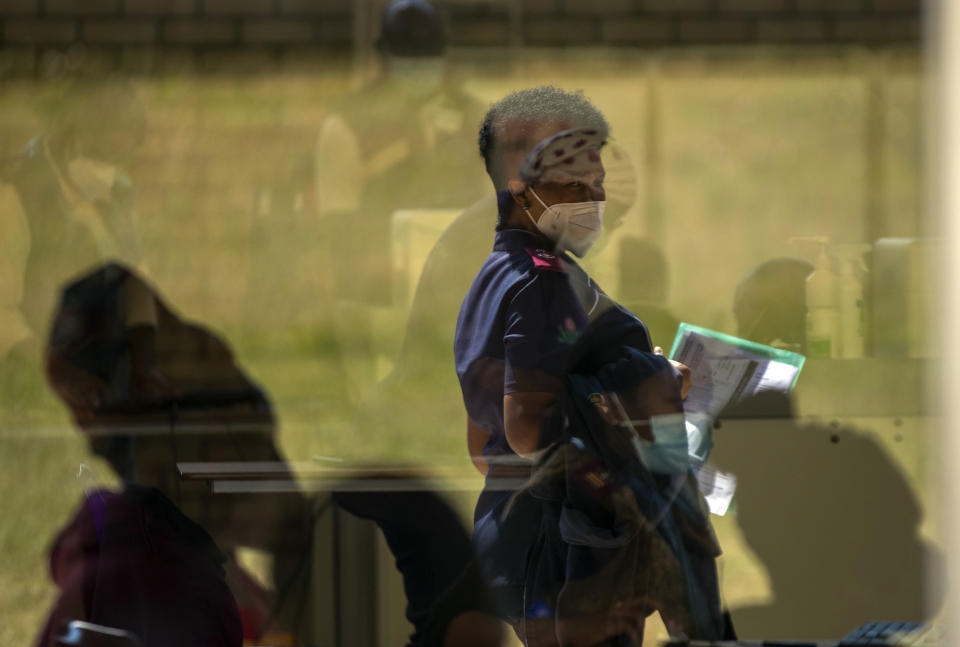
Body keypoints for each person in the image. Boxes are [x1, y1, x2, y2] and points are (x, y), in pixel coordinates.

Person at [454, 87, 701, 644]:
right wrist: (650, 384)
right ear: (520, 181)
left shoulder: (499, 274)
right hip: (565, 554)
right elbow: (523, 431)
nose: (592, 201)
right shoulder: (543, 282)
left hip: (520, 537)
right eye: (572, 186)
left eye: (598, 188)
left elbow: (482, 444)